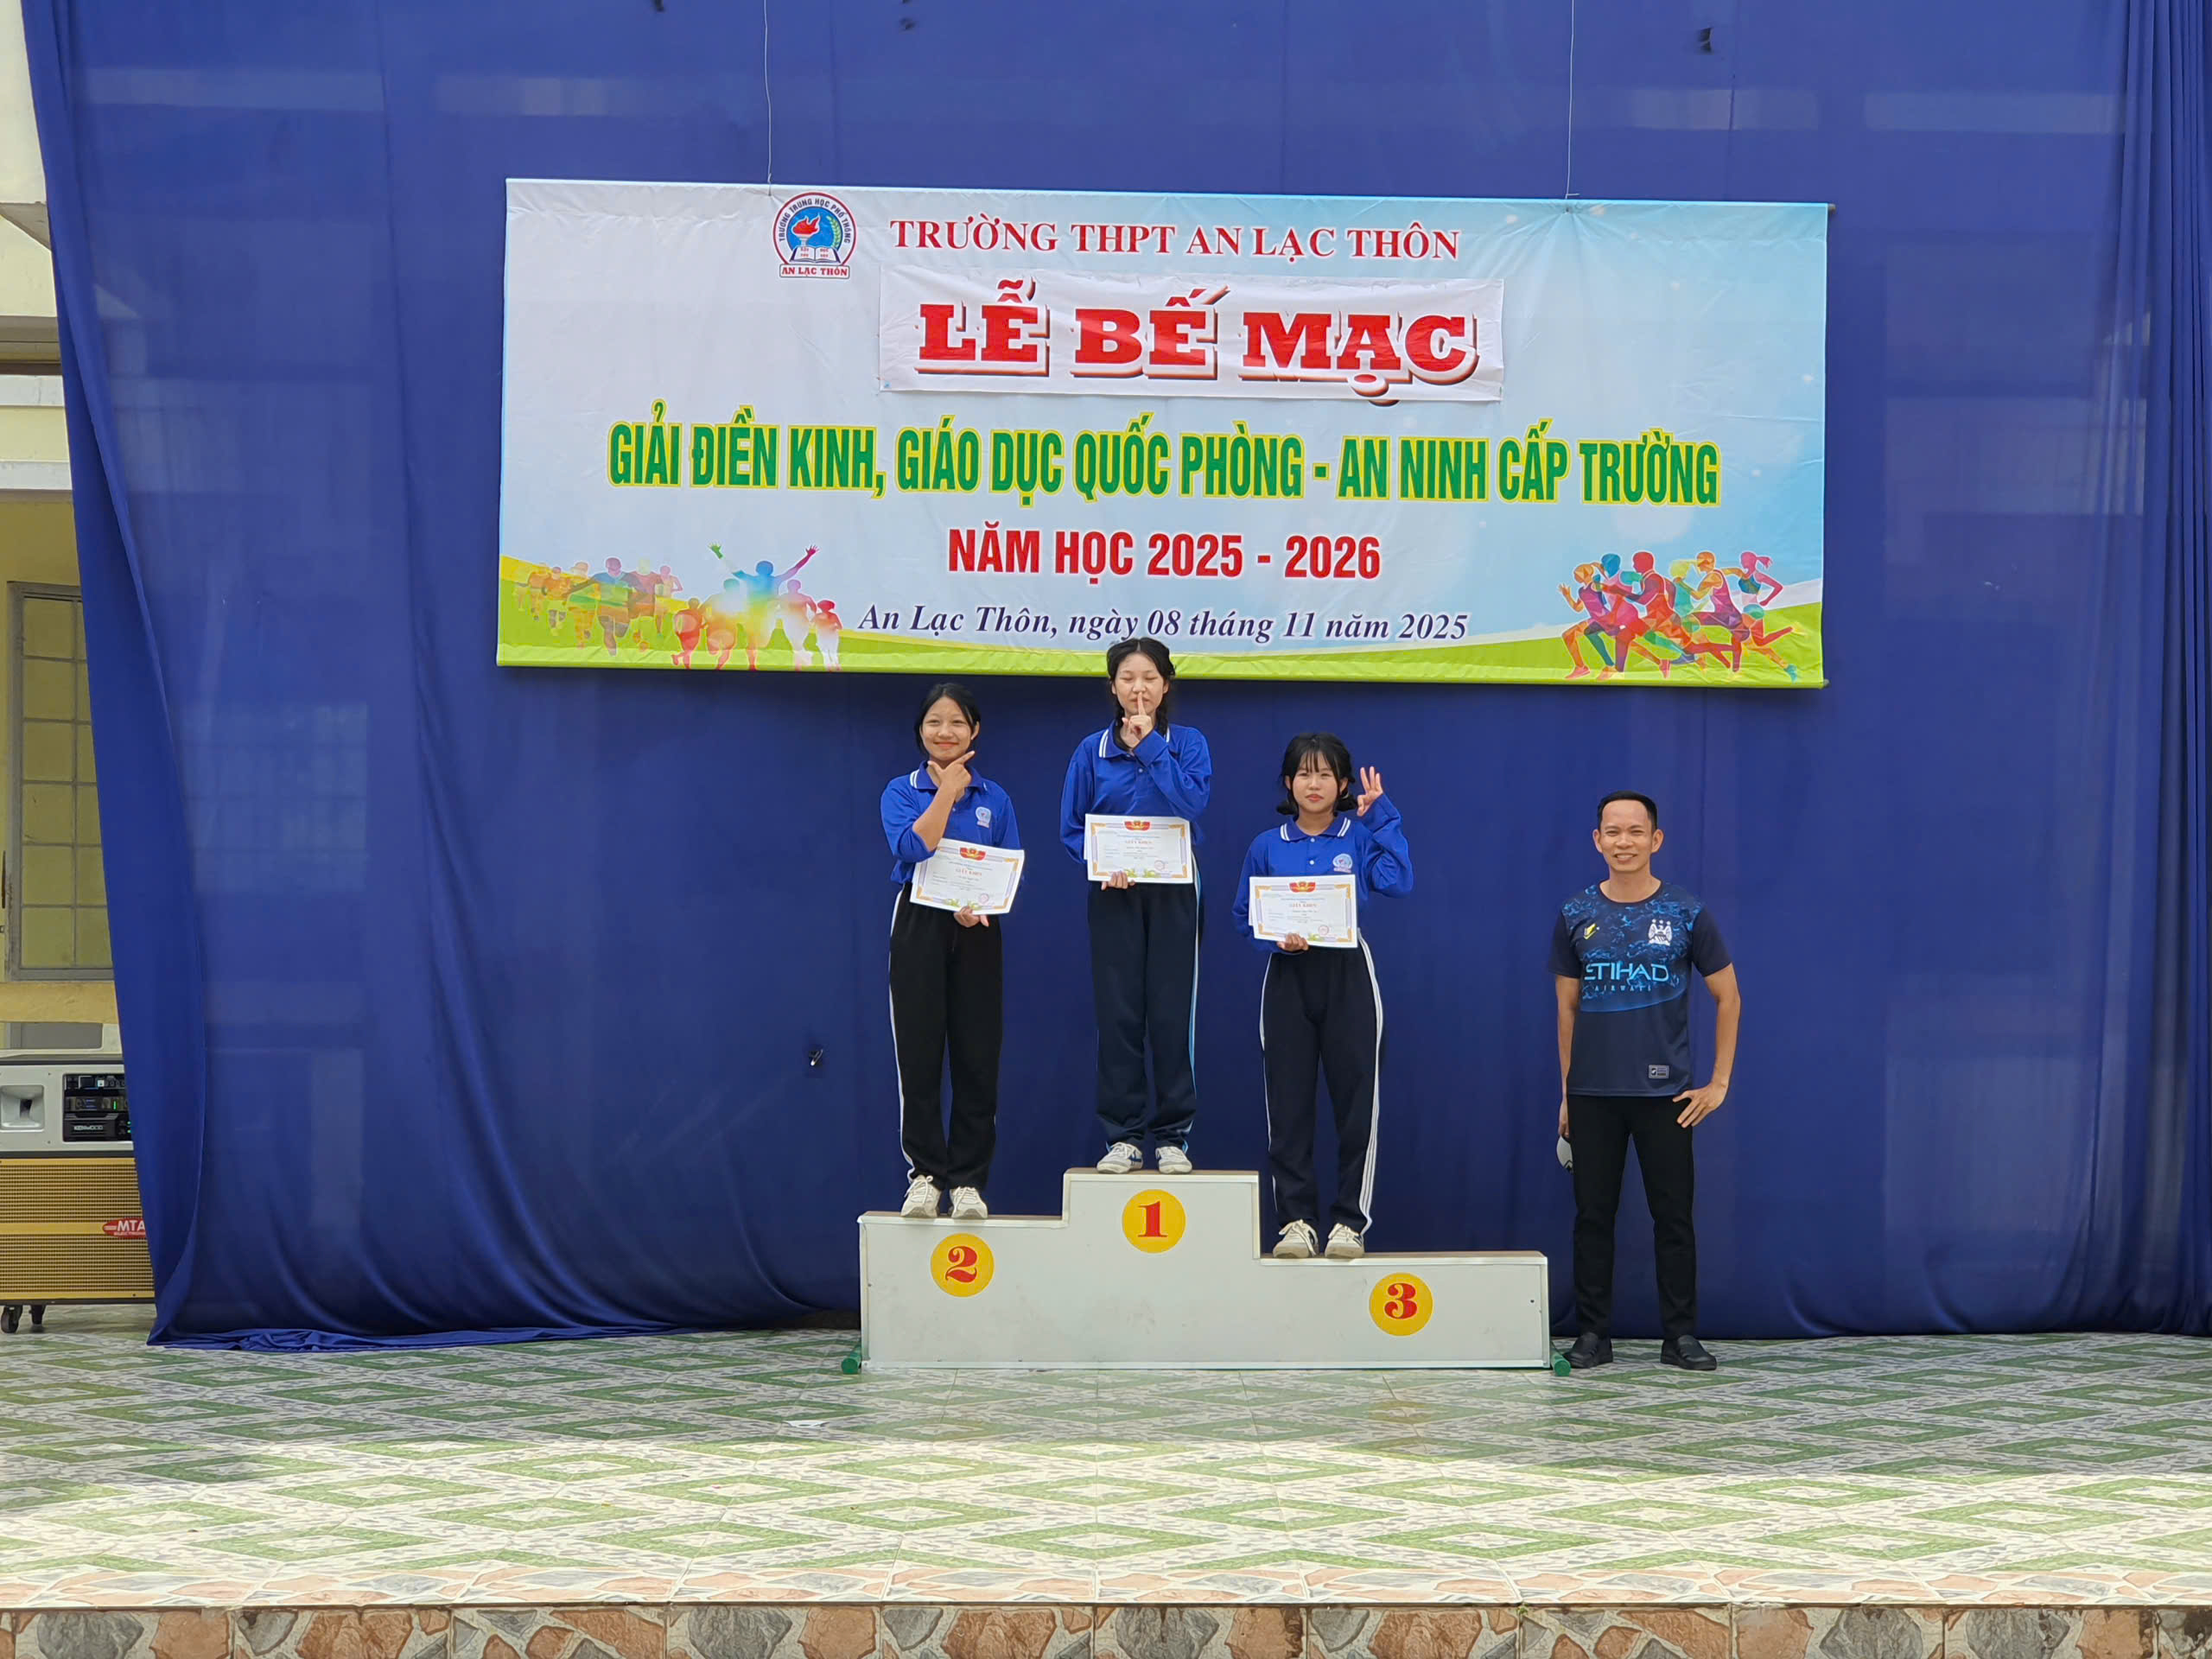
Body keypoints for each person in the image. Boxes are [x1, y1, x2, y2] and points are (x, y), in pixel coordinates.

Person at [1549, 791, 1740, 1371]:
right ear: (1597, 840)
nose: (1624, 841)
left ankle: (1680, 1337)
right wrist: (1567, 1092)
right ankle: (1592, 1335)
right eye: (1613, 831)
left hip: (1667, 1096)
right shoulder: (1575, 913)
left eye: (1636, 831)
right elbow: (1567, 1010)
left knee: (1673, 1219)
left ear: (1655, 840)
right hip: (1593, 1095)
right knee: (1593, 1219)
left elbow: (1728, 997)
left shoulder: (1685, 911)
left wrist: (1718, 1083)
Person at [1230, 734, 1412, 1262]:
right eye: (1305, 774)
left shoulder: (1358, 837)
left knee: (1356, 1105)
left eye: (1326, 774)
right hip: (1287, 978)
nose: (1315, 784)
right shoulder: (1267, 845)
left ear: (1343, 785)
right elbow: (1244, 915)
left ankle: (1349, 1223)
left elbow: (1399, 881)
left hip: (1348, 974)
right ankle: (1297, 1222)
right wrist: (1276, 939)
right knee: (1287, 1107)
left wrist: (1384, 817)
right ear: (1289, 783)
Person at [1058, 638, 1213, 1174]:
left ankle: (1172, 1137)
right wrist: (1101, 863)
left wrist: (1150, 747)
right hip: (1114, 892)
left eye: (1149, 678)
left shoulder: (1188, 744)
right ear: (1113, 688)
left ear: (1165, 686)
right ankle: (1122, 1136)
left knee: (1171, 1013)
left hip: (1175, 889)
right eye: (1128, 678)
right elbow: (1072, 828)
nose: (1138, 688)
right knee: (1119, 1012)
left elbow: (1192, 803)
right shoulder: (1091, 751)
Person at [882, 683, 1020, 1223]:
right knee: (919, 1054)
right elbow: (912, 846)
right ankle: (925, 1175)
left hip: (978, 926)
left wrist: (979, 904)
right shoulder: (901, 790)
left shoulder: (996, 798)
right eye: (935, 722)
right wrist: (945, 794)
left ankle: (967, 1181)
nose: (946, 732)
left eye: (957, 722)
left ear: (975, 730)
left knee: (977, 1055)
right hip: (919, 922)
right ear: (920, 730)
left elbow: (1007, 865)